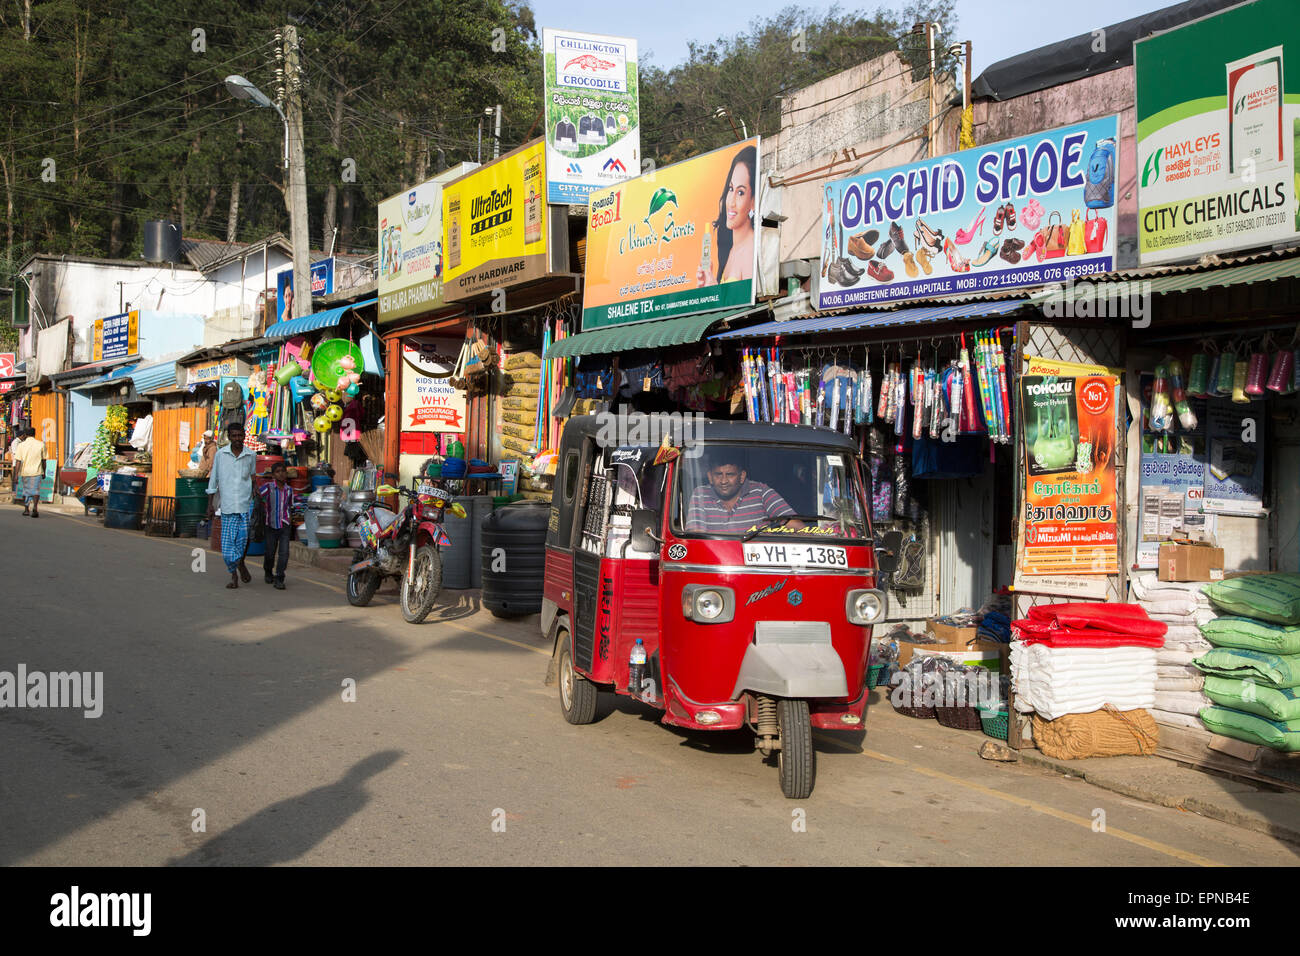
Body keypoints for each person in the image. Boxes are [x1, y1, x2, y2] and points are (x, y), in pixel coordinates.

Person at [683, 452, 803, 534]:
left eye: (730, 475)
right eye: (718, 475)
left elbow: (798, 527)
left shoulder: (761, 492)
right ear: (710, 477)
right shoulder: (701, 494)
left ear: (742, 476)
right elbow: (695, 536)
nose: (723, 481)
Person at [696, 144, 757, 288]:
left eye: (740, 192)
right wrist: (707, 290)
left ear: (753, 201)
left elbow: (749, 307)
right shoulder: (731, 248)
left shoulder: (750, 250)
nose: (731, 201)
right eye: (731, 189)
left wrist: (715, 291)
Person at [206, 421, 256, 589]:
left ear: (244, 436)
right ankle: (235, 569)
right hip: (227, 507)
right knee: (228, 549)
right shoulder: (221, 455)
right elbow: (214, 481)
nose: (237, 439)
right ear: (228, 437)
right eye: (234, 436)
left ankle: (237, 569)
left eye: (240, 435)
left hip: (244, 506)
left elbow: (253, 477)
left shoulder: (251, 455)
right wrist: (210, 505)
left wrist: (257, 496)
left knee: (241, 543)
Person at [259, 461, 296, 590]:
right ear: (273, 475)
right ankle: (268, 571)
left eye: (283, 471)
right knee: (270, 552)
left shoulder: (289, 490)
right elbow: (258, 497)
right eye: (277, 472)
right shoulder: (268, 487)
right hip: (270, 524)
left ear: (286, 473)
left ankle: (279, 577)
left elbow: (290, 507)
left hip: (284, 524)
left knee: (284, 552)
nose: (281, 474)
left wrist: (290, 519)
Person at [13, 426, 46, 517]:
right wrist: (44, 472)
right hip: (37, 471)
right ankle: (35, 507)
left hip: (25, 472)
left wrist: (16, 475)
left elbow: (18, 461)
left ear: (25, 434)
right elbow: (44, 460)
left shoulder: (21, 445)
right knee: (35, 490)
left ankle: (26, 509)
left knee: (26, 490)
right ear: (34, 434)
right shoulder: (41, 444)